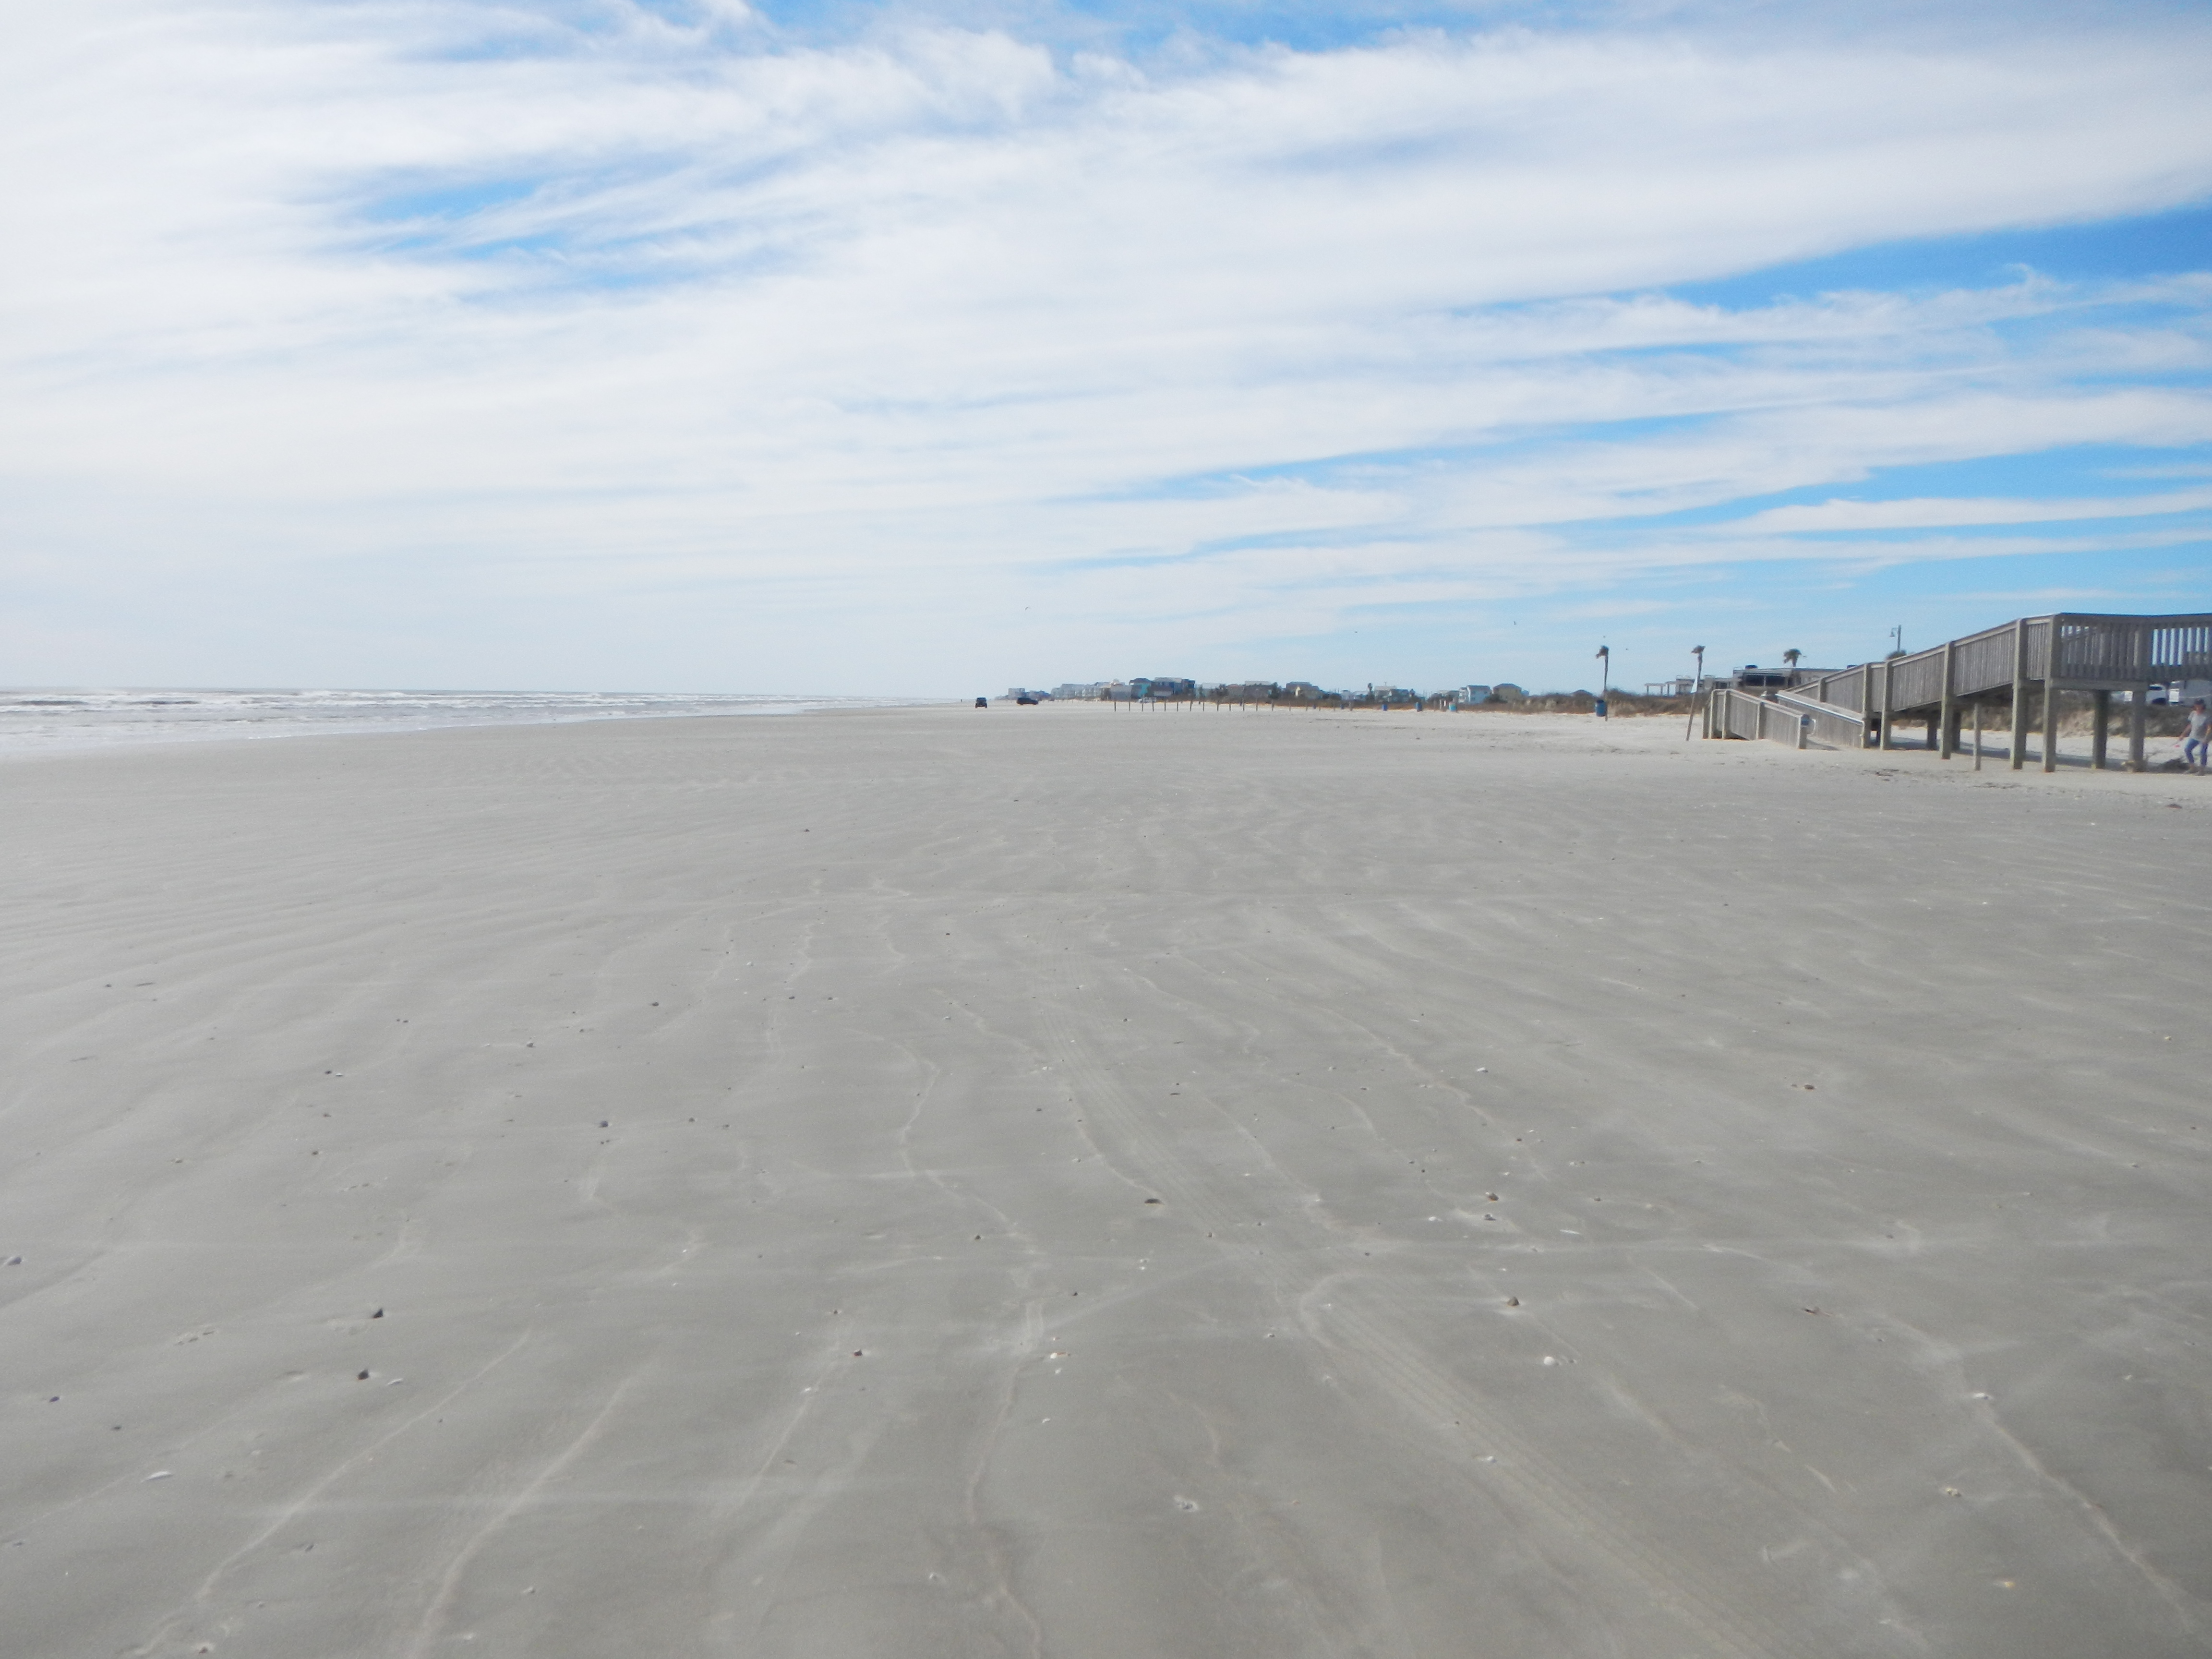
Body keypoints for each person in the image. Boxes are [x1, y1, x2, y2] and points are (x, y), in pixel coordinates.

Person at [2187, 698, 2210, 773]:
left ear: (2203, 705)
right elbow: (2190, 725)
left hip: (2204, 736)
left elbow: (2210, 727)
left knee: (2202, 753)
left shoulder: (2207, 715)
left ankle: (2202, 770)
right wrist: (2183, 735)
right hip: (2194, 736)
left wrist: (2206, 738)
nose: (2198, 706)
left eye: (2200, 705)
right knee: (2188, 749)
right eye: (2197, 705)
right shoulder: (2193, 713)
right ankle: (2192, 768)